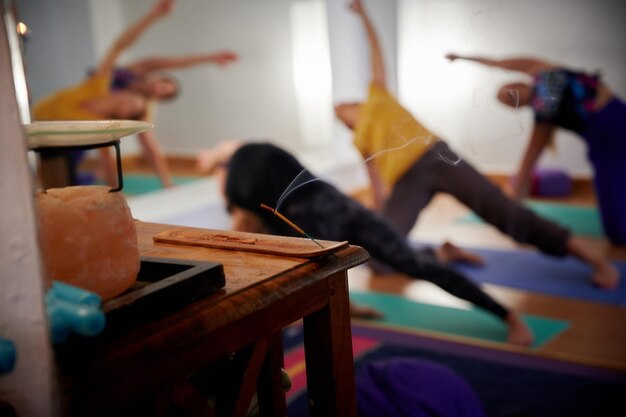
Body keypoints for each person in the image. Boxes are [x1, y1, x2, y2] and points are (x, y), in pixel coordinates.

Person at [333, 0, 619, 289]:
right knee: (380, 260)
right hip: (407, 182)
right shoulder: (359, 142)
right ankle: (443, 253)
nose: (337, 108)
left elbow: (376, 50)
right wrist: (381, 225)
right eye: (336, 112)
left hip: (435, 157)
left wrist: (364, 15)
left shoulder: (376, 95)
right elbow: (379, 189)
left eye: (340, 103)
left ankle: (593, 257)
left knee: (505, 213)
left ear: (353, 102)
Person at [220, 140, 534, 346]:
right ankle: (507, 314)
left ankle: (507, 314)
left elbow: (244, 223)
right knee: (403, 262)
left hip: (325, 212)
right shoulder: (250, 164)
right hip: (327, 208)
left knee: (403, 263)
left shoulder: (245, 172)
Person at [444, 52, 626, 245]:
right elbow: (525, 169)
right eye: (504, 100)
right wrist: (514, 218)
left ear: (517, 83)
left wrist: (463, 58)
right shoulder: (542, 118)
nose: (505, 95)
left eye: (505, 90)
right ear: (517, 107)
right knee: (615, 231)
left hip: (616, 118)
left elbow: (499, 63)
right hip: (600, 143)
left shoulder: (541, 70)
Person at [32, 0, 174, 187]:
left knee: (64, 185)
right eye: (133, 97)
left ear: (124, 113)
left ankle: (86, 177)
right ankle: (88, 176)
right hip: (33, 119)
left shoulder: (101, 128)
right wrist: (152, 16)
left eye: (133, 105)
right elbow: (118, 46)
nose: (129, 99)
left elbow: (113, 160)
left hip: (54, 147)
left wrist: (117, 194)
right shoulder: (99, 85)